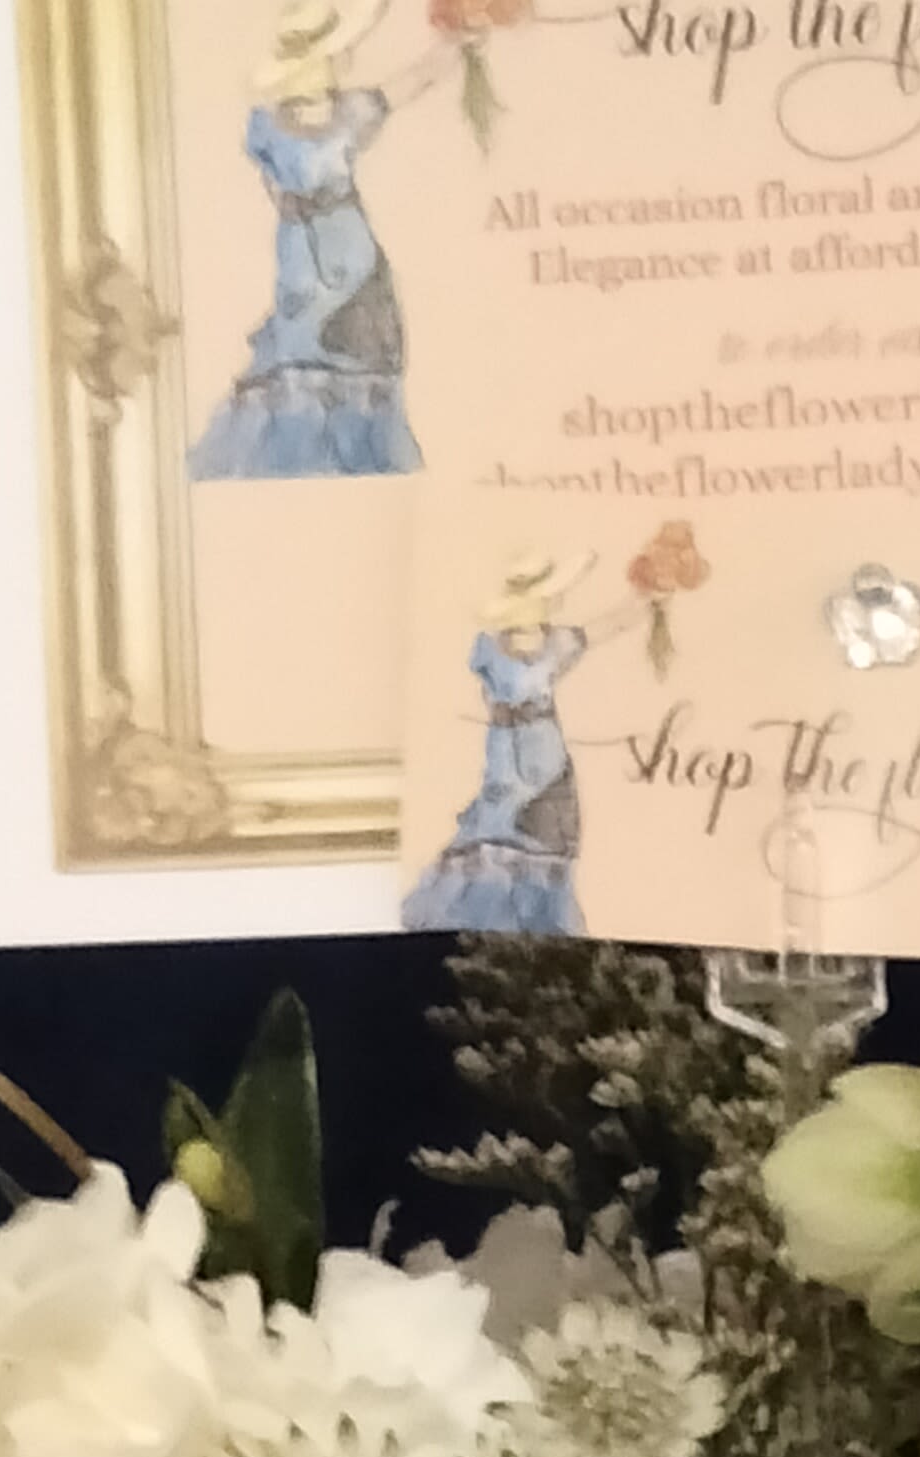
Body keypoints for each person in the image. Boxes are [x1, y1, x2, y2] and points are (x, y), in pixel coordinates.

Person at [189, 4, 437, 483]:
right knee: (308, 349)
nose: (348, 57)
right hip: (321, 257)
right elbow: (415, 80)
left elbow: (417, 79)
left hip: (337, 254)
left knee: (344, 352)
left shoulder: (319, 117)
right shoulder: (299, 121)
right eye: (342, 51)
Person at [402, 560, 649, 940]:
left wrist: (645, 600)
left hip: (539, 749)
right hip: (510, 748)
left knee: (538, 826)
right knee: (500, 819)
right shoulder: (490, 647)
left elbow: (609, 625)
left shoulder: (553, 643)